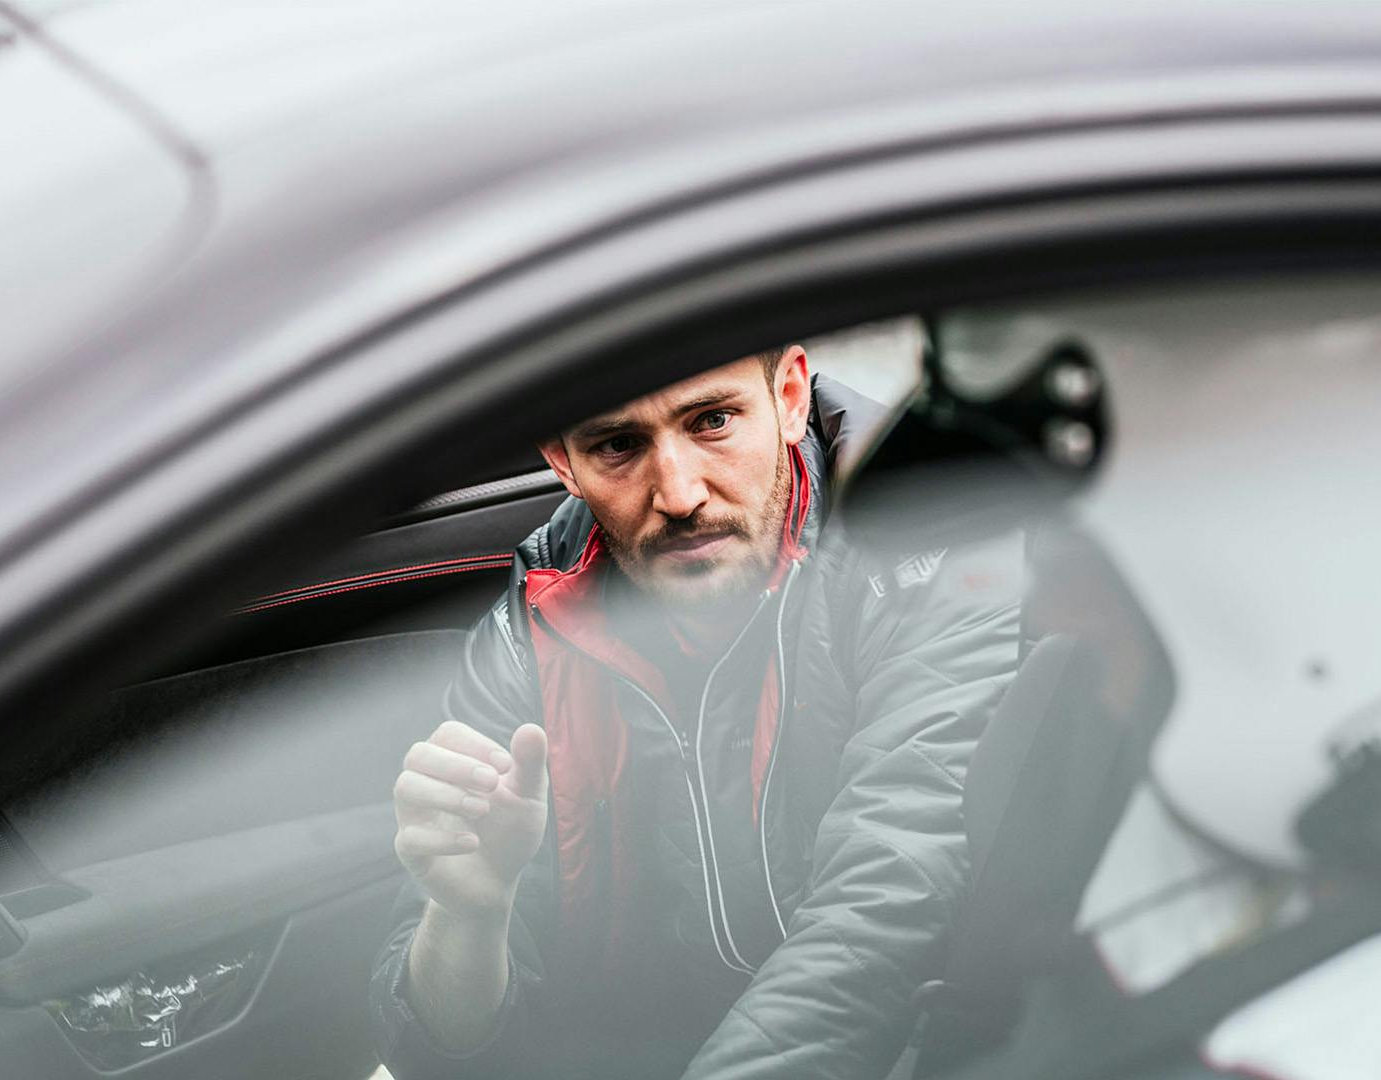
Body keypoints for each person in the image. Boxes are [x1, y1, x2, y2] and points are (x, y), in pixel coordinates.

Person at [368, 344, 1023, 1080]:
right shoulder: (538, 618)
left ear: (789, 398)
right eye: (619, 445)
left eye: (713, 421)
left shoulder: (925, 548)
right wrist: (470, 917)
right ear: (563, 462)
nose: (679, 495)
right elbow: (435, 1054)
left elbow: (884, 913)